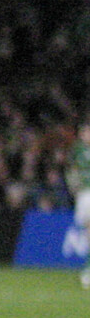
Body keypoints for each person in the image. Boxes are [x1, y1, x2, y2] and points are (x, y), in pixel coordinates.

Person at [68, 124, 90, 289]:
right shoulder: (77, 150)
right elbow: (72, 170)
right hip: (83, 194)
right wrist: (73, 185)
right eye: (84, 132)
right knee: (87, 229)